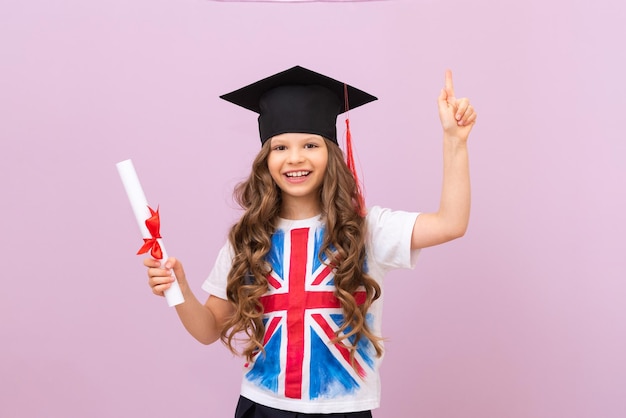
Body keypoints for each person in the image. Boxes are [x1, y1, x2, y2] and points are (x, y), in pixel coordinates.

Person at [145, 65, 476, 417]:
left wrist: (455, 142)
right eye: (280, 147)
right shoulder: (248, 239)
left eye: (310, 144)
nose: (295, 158)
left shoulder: (367, 231)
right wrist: (177, 288)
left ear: (331, 152)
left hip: (343, 409)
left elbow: (450, 223)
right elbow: (209, 329)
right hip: (262, 407)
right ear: (265, 159)